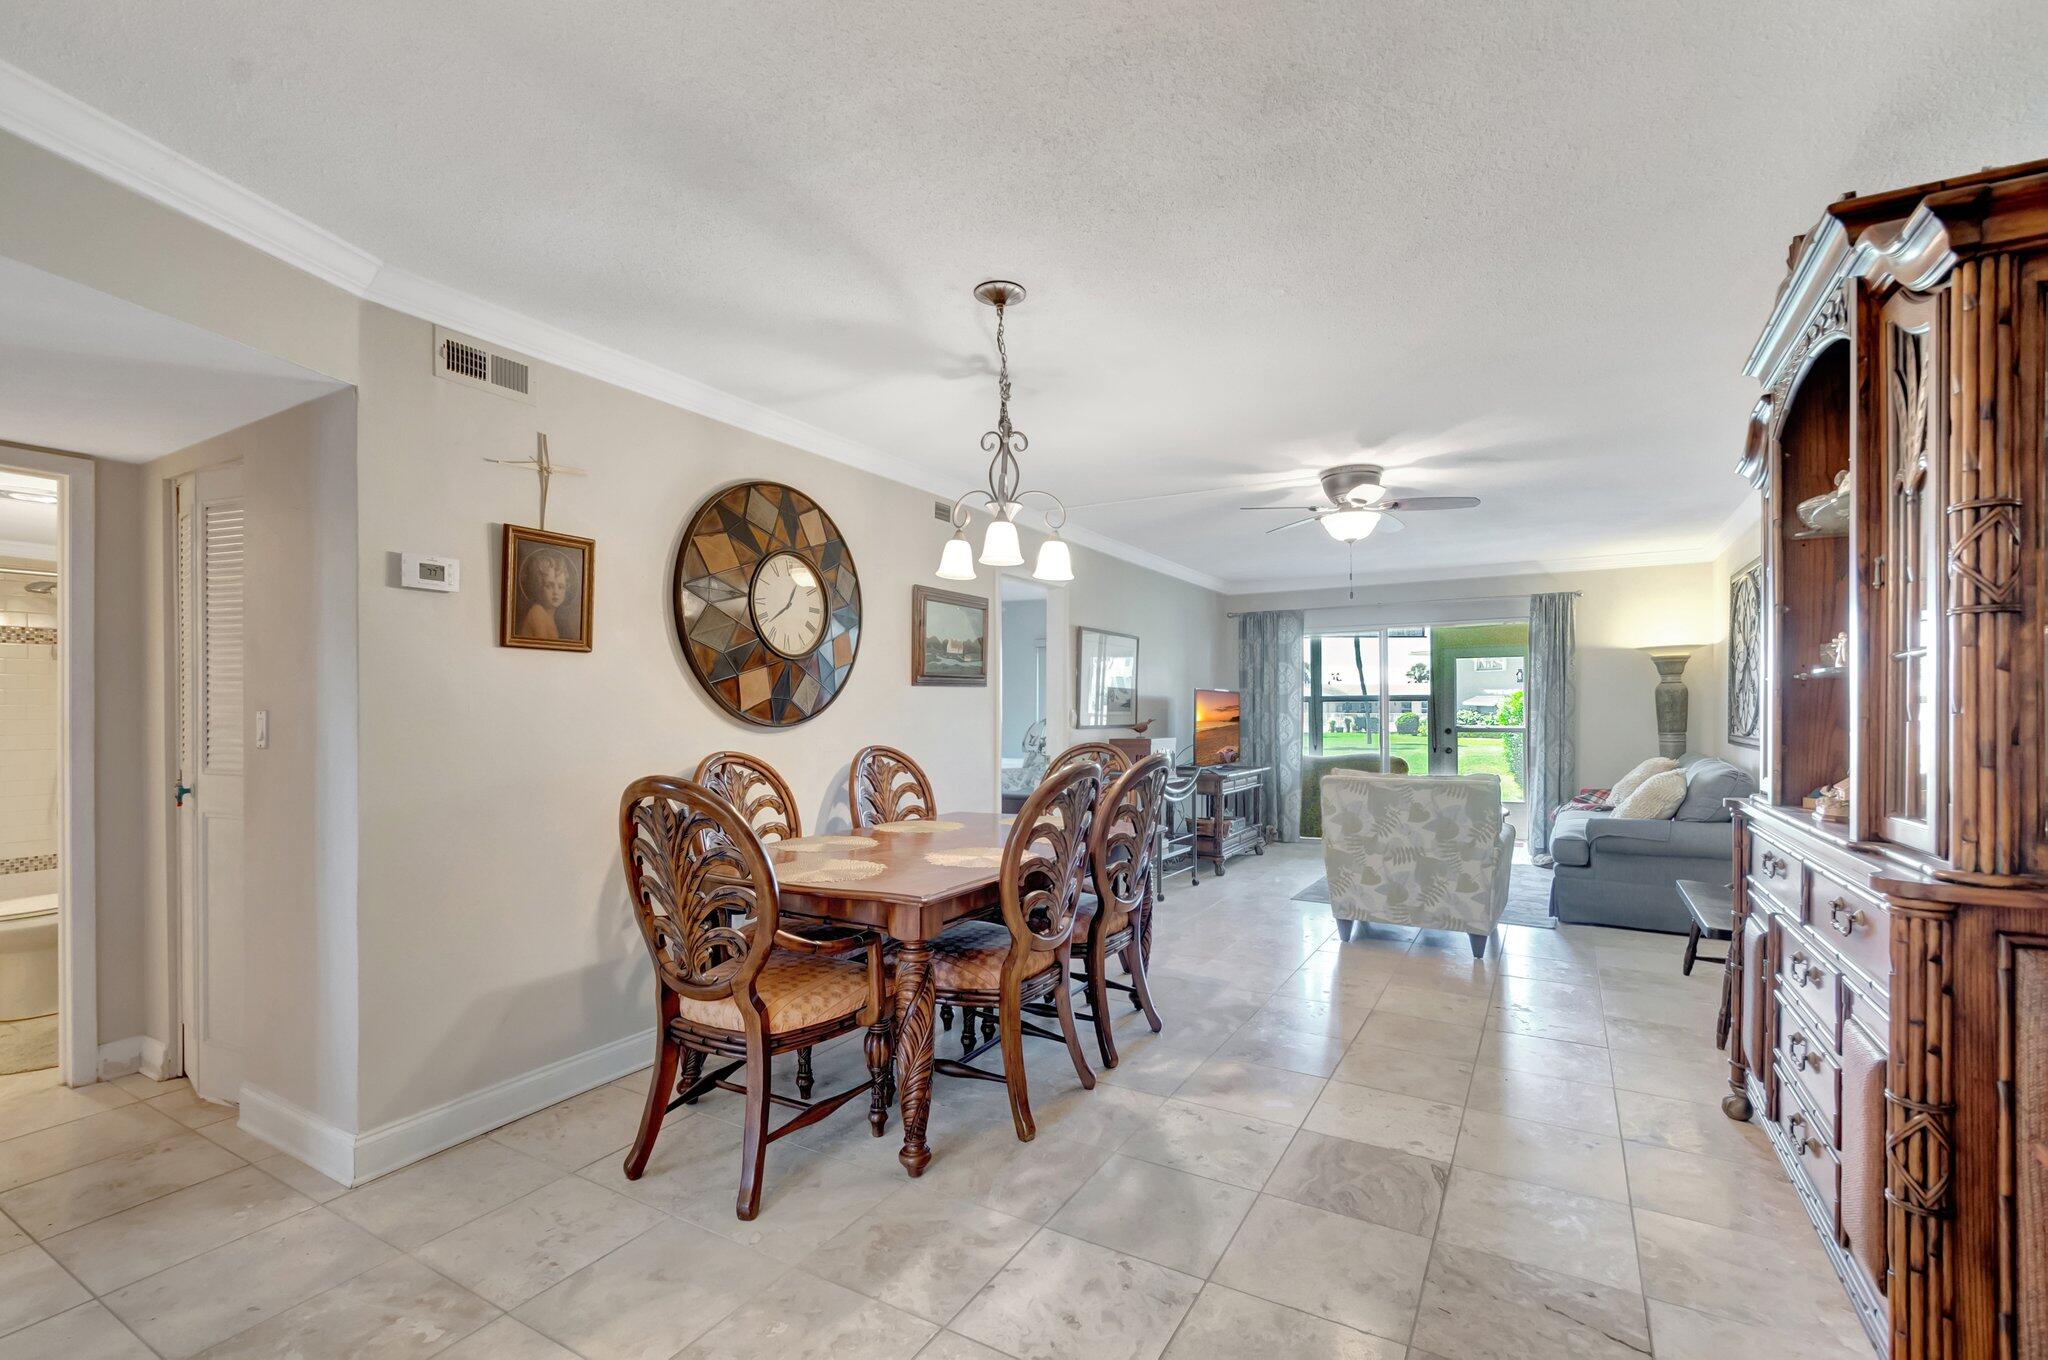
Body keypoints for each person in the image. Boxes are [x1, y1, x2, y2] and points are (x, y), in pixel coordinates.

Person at [518, 545, 574, 640]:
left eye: (561, 587)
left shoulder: (551, 616)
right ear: (539, 587)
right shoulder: (537, 612)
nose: (556, 592)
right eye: (549, 586)